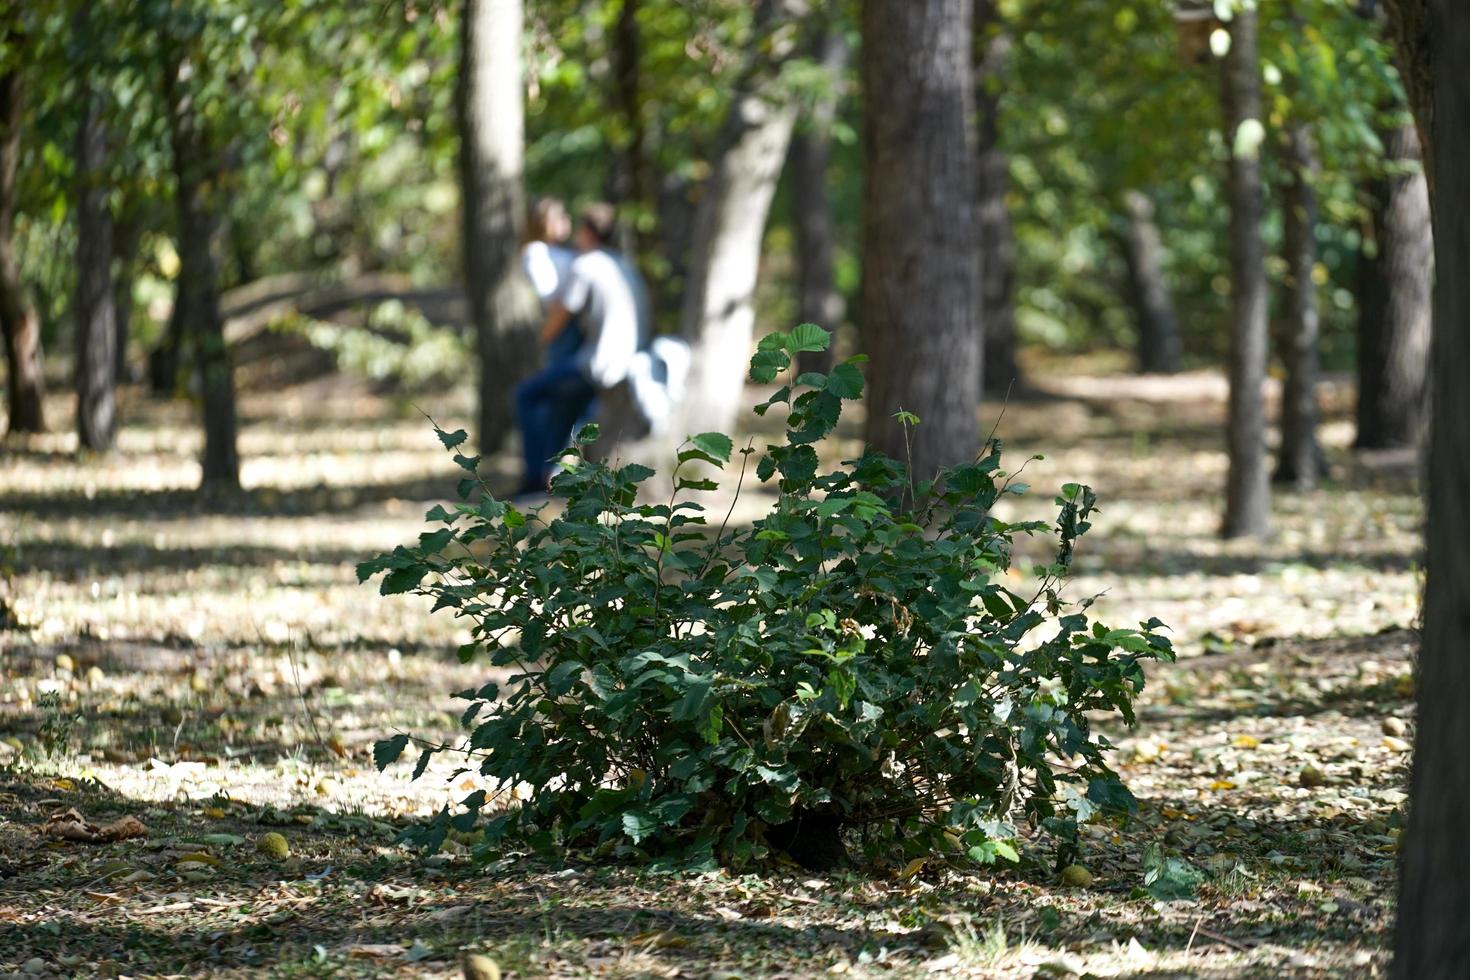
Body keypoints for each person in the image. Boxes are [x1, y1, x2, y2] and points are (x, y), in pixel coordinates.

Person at [514, 203, 647, 495]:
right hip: (629, 359)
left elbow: (561, 313)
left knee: (526, 396)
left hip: (599, 365)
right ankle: (553, 476)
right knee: (565, 406)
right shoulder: (621, 263)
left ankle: (534, 479)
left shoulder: (586, 265)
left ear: (587, 231)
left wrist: (543, 338)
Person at [519, 198, 581, 366]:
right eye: (559, 216)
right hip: (563, 327)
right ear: (542, 221)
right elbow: (551, 297)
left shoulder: (564, 251)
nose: (565, 220)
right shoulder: (535, 252)